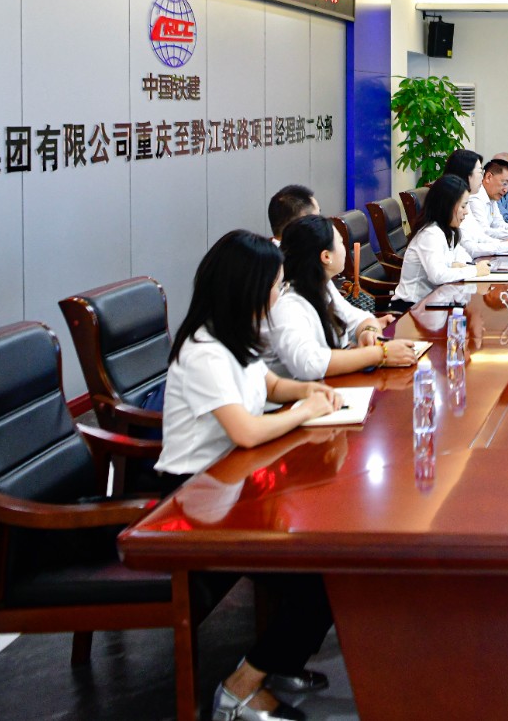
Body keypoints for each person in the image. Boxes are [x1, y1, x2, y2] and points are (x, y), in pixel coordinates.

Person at [156, 230, 341, 721]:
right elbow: (245, 431)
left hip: (233, 485)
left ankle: (280, 663)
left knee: (323, 566)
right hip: (195, 499)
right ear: (249, 289)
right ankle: (239, 689)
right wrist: (303, 413)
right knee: (318, 581)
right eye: (276, 286)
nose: (280, 295)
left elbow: (270, 384)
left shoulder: (235, 336)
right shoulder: (204, 350)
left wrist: (305, 393)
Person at [264, 215, 418, 378]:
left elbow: (359, 318)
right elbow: (310, 365)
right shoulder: (288, 305)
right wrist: (380, 354)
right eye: (341, 242)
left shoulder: (322, 285)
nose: (344, 249)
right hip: (301, 392)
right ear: (326, 257)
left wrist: (369, 331)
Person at [393, 174, 475, 311]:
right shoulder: (430, 233)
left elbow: (465, 258)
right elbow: (438, 276)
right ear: (447, 206)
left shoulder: (448, 230)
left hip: (434, 302)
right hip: (411, 308)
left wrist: (458, 267)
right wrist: (474, 270)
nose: (466, 212)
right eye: (463, 206)